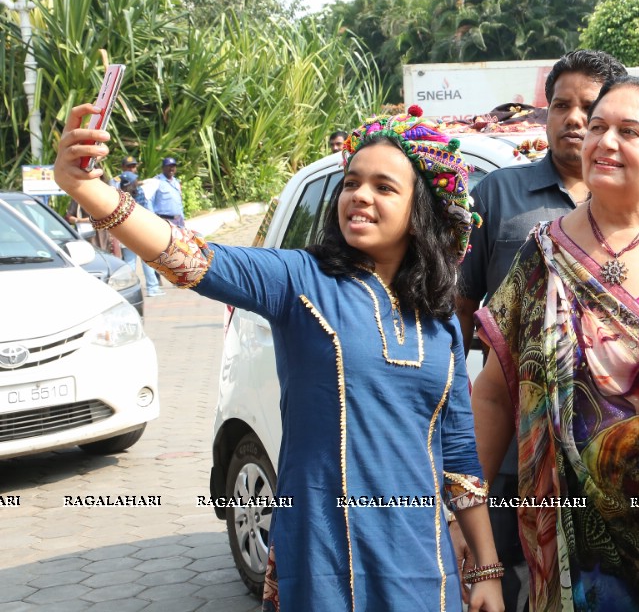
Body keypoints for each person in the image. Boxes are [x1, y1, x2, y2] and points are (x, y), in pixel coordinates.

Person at [54, 103, 504, 612]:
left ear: (421, 209)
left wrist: (486, 567)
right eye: (352, 182)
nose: (359, 196)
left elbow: (461, 459)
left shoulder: (440, 318)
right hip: (325, 553)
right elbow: (190, 257)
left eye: (384, 187)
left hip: (423, 560)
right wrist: (86, 188)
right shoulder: (299, 279)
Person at [472, 75, 639, 612]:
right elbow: (493, 394)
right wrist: (469, 521)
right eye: (598, 127)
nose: (605, 142)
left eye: (628, 130)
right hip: (570, 553)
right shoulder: (543, 256)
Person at [456, 49, 626, 612]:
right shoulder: (498, 197)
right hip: (508, 446)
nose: (575, 119)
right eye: (562, 105)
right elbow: (456, 314)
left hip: (607, 459)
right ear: (544, 113)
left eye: (591, 107)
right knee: (495, 584)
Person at [119, 156, 164, 297]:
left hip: (127, 231)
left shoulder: (122, 194)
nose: (136, 183)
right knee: (138, 261)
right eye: (134, 182)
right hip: (136, 230)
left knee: (136, 262)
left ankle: (147, 288)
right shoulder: (134, 193)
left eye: (134, 166)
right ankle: (149, 288)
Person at [149, 157, 185, 227]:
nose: (171, 168)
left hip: (178, 220)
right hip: (163, 220)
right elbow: (149, 201)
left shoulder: (176, 183)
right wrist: (153, 219)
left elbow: (179, 203)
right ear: (163, 168)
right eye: (169, 166)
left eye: (173, 166)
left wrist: (182, 219)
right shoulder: (156, 181)